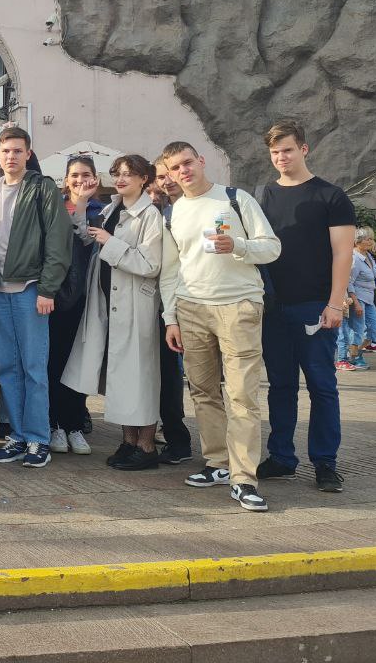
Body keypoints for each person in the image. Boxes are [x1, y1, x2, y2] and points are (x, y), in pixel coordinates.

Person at [159, 141, 281, 512]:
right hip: (192, 308)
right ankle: (217, 463)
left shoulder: (235, 199)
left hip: (238, 305)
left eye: (187, 163)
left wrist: (238, 245)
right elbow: (171, 271)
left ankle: (244, 479)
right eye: (174, 168)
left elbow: (272, 247)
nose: (183, 171)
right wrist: (170, 317)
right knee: (203, 391)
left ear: (201, 161)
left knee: (242, 395)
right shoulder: (173, 212)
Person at [255, 119, 354, 493]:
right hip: (273, 308)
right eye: (275, 151)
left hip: (315, 306)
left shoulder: (331, 196)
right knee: (280, 386)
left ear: (304, 149)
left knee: (322, 386)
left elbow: (343, 254)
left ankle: (325, 463)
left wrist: (335, 304)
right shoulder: (263, 196)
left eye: (288, 150)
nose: (281, 157)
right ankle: (281, 457)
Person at [0, 126, 70, 469]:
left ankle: (38, 438)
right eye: (6, 151)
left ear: (28, 153)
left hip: (30, 290)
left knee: (34, 367)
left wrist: (47, 289)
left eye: (17, 150)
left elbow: (58, 241)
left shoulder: (42, 188)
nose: (11, 156)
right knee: (8, 368)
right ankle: (18, 435)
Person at [63, 155, 164, 470]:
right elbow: (83, 236)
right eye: (117, 173)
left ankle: (146, 446)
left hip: (136, 304)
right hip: (108, 302)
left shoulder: (150, 214)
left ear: (144, 179)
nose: (121, 179)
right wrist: (82, 200)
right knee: (121, 376)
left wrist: (110, 242)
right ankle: (128, 441)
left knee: (140, 376)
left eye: (129, 174)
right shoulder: (110, 209)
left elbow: (150, 264)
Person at [46, 156, 101, 456]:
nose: (80, 180)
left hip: (88, 297)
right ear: (65, 180)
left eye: (86, 174)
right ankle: (55, 424)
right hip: (54, 297)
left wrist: (82, 204)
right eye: (75, 175)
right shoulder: (52, 206)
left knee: (80, 362)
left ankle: (75, 424)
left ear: (96, 178)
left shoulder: (103, 210)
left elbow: (87, 241)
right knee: (55, 361)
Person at [150, 156, 193, 465]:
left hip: (198, 302)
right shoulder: (161, 214)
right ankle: (176, 438)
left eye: (171, 173)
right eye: (160, 177)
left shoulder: (198, 208)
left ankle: (224, 448)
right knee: (168, 375)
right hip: (163, 306)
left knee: (200, 381)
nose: (167, 181)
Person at [344, 228, 376, 371]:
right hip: (358, 297)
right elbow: (349, 282)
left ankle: (355, 353)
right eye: (367, 239)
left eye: (371, 239)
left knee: (374, 327)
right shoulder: (354, 258)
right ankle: (353, 357)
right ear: (358, 242)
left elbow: (373, 277)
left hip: (369, 297)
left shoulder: (369, 256)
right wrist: (356, 303)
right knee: (358, 329)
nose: (371, 242)